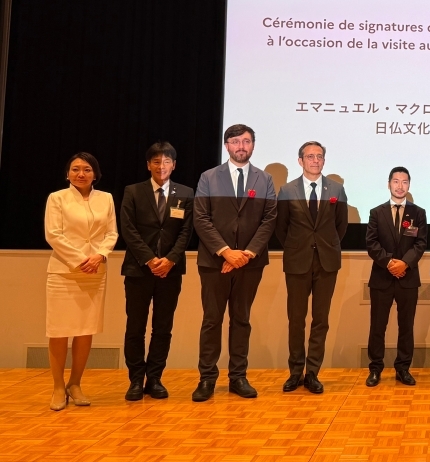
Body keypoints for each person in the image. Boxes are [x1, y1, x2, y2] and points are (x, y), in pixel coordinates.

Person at [191, 124, 277, 402]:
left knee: (241, 320)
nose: (241, 146)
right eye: (236, 141)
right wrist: (226, 252)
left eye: (247, 141)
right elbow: (201, 218)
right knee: (212, 320)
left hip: (250, 264)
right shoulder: (208, 177)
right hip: (214, 262)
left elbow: (269, 220)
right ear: (226, 145)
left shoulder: (264, 180)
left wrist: (246, 254)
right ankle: (207, 379)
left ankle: (238, 377)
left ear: (253, 145)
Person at [119, 141, 194, 401]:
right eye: (156, 162)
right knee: (135, 327)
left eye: (166, 162)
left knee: (163, 328)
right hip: (138, 270)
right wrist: (150, 260)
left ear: (174, 165)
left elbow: (186, 232)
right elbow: (128, 229)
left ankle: (155, 378)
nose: (161, 166)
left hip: (171, 272)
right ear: (148, 164)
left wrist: (170, 260)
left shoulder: (186, 193)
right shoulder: (133, 191)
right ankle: (136, 380)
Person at [43, 152, 118, 411]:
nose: (81, 174)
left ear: (95, 173)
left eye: (86, 169)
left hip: (95, 271)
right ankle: (57, 386)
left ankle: (75, 384)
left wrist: (99, 256)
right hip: (64, 271)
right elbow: (53, 235)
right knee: (59, 331)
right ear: (67, 174)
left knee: (85, 330)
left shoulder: (106, 198)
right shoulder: (57, 198)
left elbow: (112, 233)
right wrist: (80, 260)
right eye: (75, 169)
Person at [275, 141, 348, 395]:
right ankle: (295, 372)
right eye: (310, 156)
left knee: (321, 320)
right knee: (296, 319)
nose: (315, 160)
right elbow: (281, 228)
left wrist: (323, 245)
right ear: (300, 161)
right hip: (297, 262)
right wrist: (298, 247)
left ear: (324, 161)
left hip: (327, 262)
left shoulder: (336, 189)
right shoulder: (287, 190)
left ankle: (312, 372)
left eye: (319, 156)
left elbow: (341, 227)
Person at [365, 166, 427, 387]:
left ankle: (403, 368)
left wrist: (405, 264)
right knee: (377, 326)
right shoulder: (376, 212)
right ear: (388, 184)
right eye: (396, 181)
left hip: (408, 278)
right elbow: (371, 244)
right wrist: (390, 262)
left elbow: (420, 244)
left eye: (404, 182)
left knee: (406, 326)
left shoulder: (418, 213)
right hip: (382, 277)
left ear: (409, 185)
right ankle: (375, 369)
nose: (400, 186)